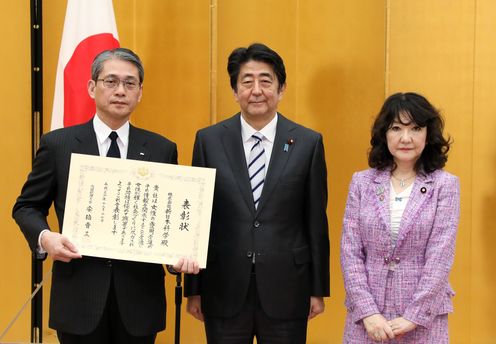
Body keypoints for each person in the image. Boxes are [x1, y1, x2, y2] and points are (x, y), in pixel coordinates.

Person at [12, 48, 199, 344]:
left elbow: (170, 218)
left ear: (140, 92)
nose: (120, 91)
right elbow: (26, 207)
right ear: (91, 87)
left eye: (130, 83)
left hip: (139, 302)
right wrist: (46, 237)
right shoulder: (58, 145)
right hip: (79, 299)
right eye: (110, 81)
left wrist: (178, 257)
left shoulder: (161, 149)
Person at [184, 43, 330, 343]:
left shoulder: (307, 142)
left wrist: (318, 288)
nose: (257, 90)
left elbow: (316, 220)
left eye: (266, 80)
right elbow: (197, 217)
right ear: (235, 90)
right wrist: (194, 288)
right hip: (223, 286)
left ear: (281, 88)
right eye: (247, 81)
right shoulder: (208, 141)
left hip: (288, 287)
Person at [340, 92, 460, 343]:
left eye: (416, 128)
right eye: (396, 128)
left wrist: (413, 316)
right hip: (367, 321)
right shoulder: (362, 182)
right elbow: (350, 252)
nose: (406, 138)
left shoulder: (444, 185)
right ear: (384, 134)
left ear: (429, 135)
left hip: (423, 322)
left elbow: (440, 256)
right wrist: (368, 313)